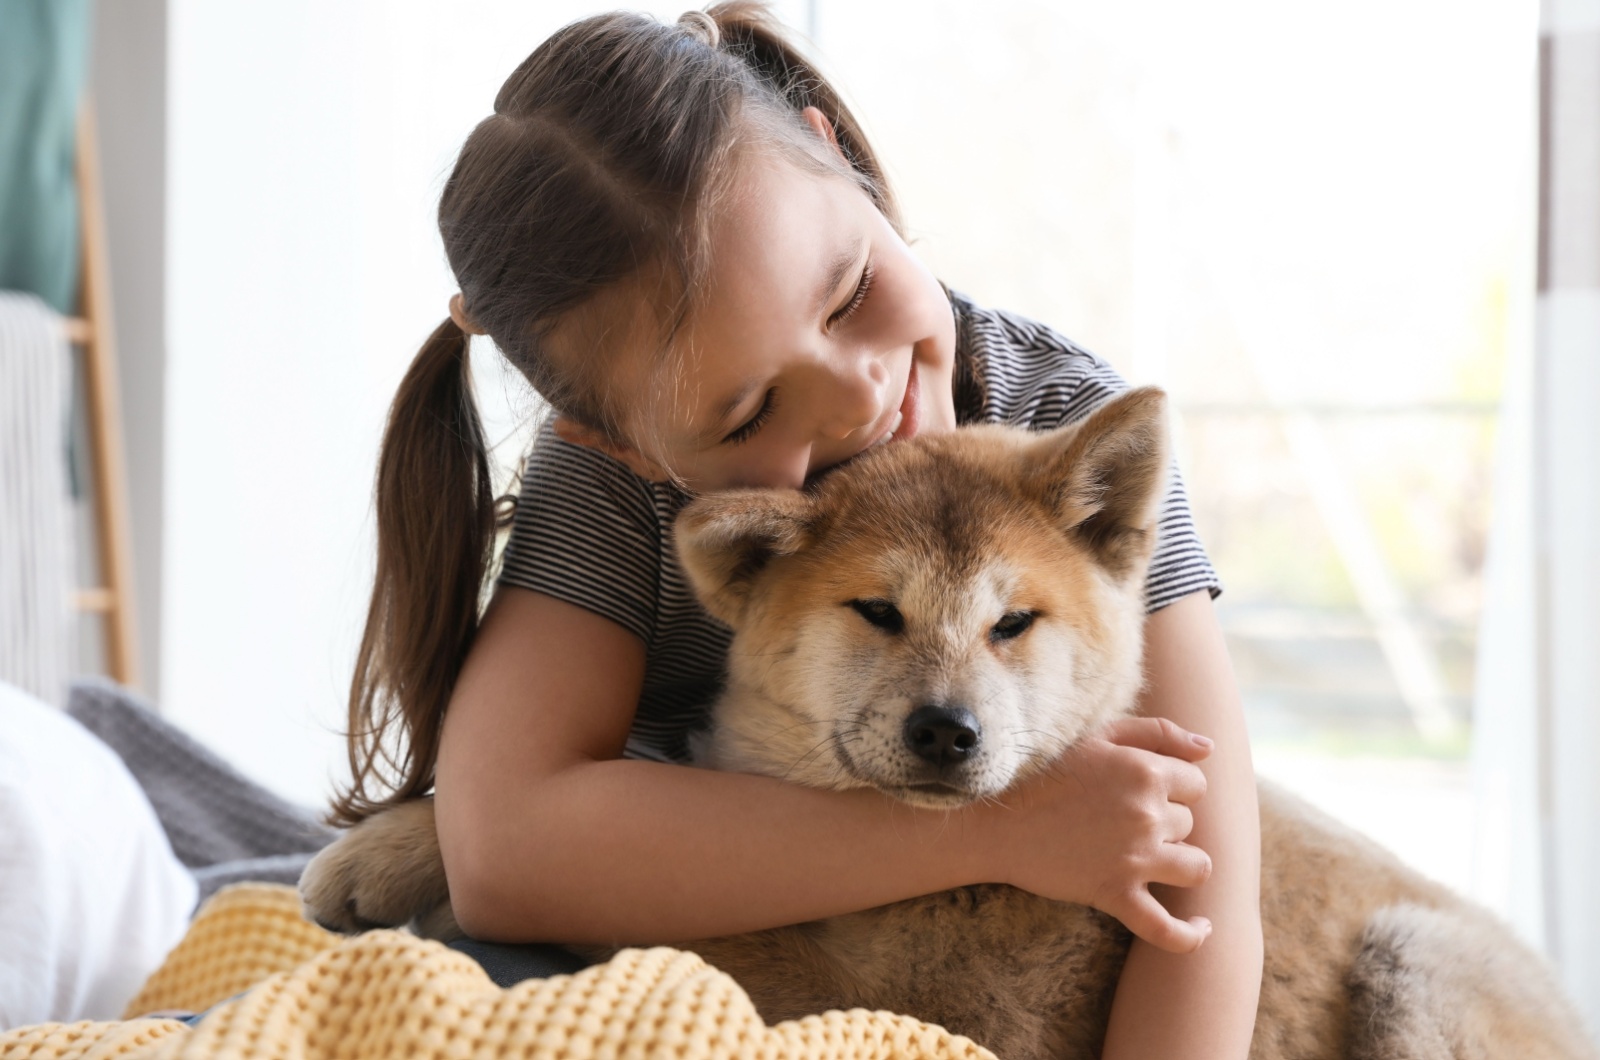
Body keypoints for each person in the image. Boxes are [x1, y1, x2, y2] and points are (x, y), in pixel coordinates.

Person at [329, 4, 1263, 1057]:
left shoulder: (1060, 417)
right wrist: (1006, 827)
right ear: (622, 445)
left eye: (851, 292)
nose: (858, 395)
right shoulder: (614, 486)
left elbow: (1207, 899)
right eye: (747, 413)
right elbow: (505, 853)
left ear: (837, 157)